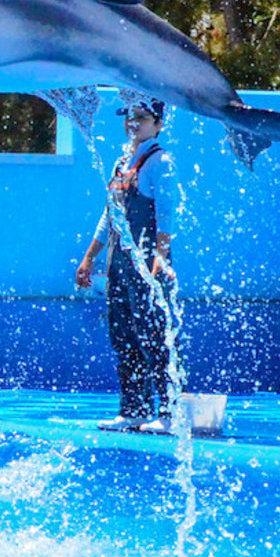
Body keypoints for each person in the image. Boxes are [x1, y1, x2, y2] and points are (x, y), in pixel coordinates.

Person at [74, 98, 178, 430]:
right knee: (123, 335)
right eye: (130, 116)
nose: (134, 122)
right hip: (118, 263)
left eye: (142, 118)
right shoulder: (121, 163)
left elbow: (167, 213)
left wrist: (160, 256)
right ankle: (135, 409)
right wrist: (89, 257)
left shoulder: (160, 161)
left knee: (154, 335)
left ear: (158, 124)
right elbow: (109, 215)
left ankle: (170, 413)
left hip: (147, 262)